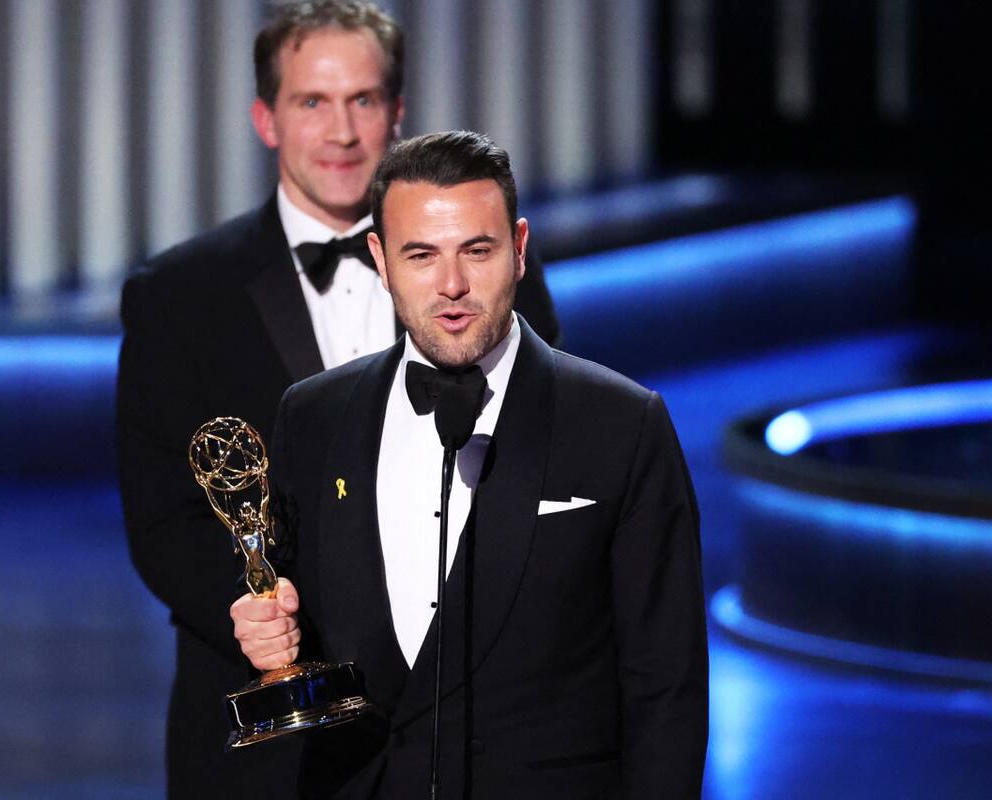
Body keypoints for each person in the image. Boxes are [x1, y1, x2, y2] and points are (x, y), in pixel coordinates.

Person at [116, 3, 560, 797]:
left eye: (363, 100)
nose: (343, 131)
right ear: (266, 118)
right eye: (313, 101)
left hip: (463, 719)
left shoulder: (484, 274)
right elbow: (163, 521)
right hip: (267, 737)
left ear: (397, 112)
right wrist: (255, 617)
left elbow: (542, 463)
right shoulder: (178, 297)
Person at [231, 131, 707, 799]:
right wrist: (269, 636)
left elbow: (668, 687)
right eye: (421, 255)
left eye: (476, 251)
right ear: (380, 259)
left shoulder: (621, 424)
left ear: (519, 248)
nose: (451, 285)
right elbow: (294, 615)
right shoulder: (313, 417)